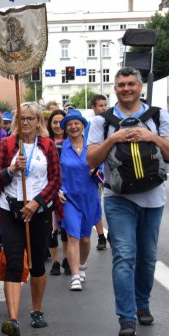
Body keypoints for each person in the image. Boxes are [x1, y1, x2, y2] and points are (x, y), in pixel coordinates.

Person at [86, 67, 169, 336]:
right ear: (114, 89)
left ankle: (142, 304)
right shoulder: (102, 122)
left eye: (130, 84)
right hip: (118, 199)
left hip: (153, 199)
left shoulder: (158, 116)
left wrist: (151, 137)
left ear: (140, 87)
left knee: (147, 258)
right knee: (124, 256)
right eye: (120, 85)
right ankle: (126, 318)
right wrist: (113, 138)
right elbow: (91, 160)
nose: (126, 89)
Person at [0, 102, 62, 336]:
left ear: (39, 122)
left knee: (37, 265)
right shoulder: (7, 144)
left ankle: (36, 310)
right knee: (13, 262)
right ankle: (12, 318)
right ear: (15, 122)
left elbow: (55, 180)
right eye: (21, 118)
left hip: (39, 212)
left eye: (31, 119)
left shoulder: (48, 146)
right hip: (11, 211)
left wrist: (37, 202)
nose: (26, 123)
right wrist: (11, 170)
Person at [58, 110, 101, 291]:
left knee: (85, 238)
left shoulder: (93, 148)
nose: (73, 127)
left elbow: (103, 170)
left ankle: (82, 265)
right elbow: (53, 173)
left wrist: (98, 172)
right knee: (72, 236)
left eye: (76, 123)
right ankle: (75, 275)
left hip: (90, 197)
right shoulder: (60, 148)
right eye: (69, 124)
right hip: (68, 198)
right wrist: (58, 190)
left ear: (83, 125)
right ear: (65, 128)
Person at [45, 109, 68, 276]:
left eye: (61, 122)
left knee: (66, 227)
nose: (58, 125)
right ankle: (55, 261)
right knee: (51, 228)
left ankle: (67, 258)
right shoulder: (45, 143)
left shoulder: (72, 141)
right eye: (54, 122)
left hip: (69, 189)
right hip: (50, 188)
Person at [90, 94, 109, 250]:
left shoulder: (110, 122)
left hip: (107, 171)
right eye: (100, 106)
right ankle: (100, 236)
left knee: (104, 204)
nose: (103, 108)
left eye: (105, 105)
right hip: (94, 171)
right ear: (93, 108)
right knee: (96, 204)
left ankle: (107, 235)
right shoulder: (91, 124)